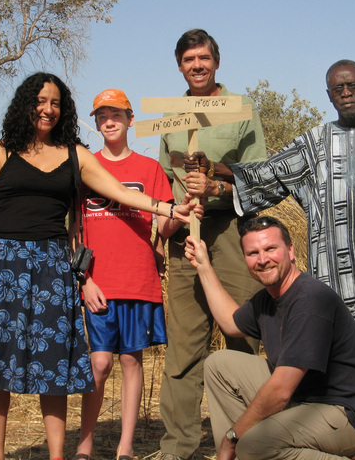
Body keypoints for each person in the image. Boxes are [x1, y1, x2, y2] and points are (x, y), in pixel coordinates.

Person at [186, 60, 355, 460]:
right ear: (329, 95)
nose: (346, 92)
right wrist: (216, 171)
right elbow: (271, 173)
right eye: (337, 88)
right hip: (328, 285)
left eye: (352, 85)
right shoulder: (314, 144)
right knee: (318, 378)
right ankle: (309, 443)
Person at [0, 73, 195, 460]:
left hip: (51, 265)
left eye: (55, 103)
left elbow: (117, 191)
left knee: (54, 364)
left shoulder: (74, 155)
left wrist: (168, 208)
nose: (48, 109)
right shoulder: (1, 151)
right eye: (40, 101)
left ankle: (57, 455)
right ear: (25, 104)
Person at [183, 215, 355, 460]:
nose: (262, 259)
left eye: (270, 249)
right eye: (253, 253)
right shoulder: (268, 299)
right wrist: (203, 265)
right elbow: (230, 322)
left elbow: (280, 392)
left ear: (290, 251)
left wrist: (233, 437)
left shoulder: (310, 300)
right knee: (219, 365)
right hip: (304, 399)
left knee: (252, 445)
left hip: (345, 414)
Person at [156, 28, 268, 460]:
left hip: (231, 234)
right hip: (187, 233)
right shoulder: (169, 116)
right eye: (188, 60)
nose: (197, 66)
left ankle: (244, 441)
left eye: (203, 58)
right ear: (180, 66)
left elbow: (259, 175)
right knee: (184, 345)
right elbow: (164, 179)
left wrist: (217, 189)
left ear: (216, 62)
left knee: (241, 334)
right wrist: (177, 210)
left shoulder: (240, 109)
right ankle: (177, 447)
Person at [73, 89, 202, 460]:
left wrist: (182, 213)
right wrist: (86, 280)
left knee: (131, 360)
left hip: (139, 279)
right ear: (96, 123)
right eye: (101, 116)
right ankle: (85, 442)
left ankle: (125, 446)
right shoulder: (85, 168)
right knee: (99, 362)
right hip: (99, 282)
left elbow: (163, 226)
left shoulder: (149, 169)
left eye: (116, 114)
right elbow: (73, 231)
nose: (109, 121)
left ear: (130, 120)